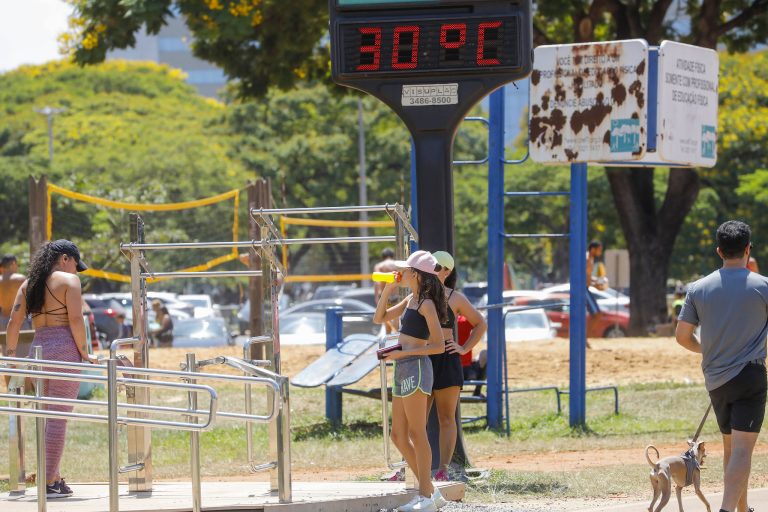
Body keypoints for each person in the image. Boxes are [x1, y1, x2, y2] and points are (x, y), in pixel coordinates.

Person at [676, 220, 768, 512]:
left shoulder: (698, 288)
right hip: (751, 375)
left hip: (716, 380)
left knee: (731, 447)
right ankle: (728, 510)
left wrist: (711, 349)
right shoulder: (763, 286)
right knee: (743, 449)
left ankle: (743, 509)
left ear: (719, 251)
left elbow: (682, 336)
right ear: (748, 249)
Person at [4, 239, 97, 498]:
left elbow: (14, 322)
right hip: (64, 350)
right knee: (58, 418)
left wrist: (11, 358)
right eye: (75, 265)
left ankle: (52, 475)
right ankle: (49, 481)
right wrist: (84, 352)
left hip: (38, 351)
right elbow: (76, 320)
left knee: (46, 417)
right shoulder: (69, 282)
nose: (75, 271)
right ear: (65, 258)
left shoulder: (28, 283)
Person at [374, 250, 448, 512]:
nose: (402, 273)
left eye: (406, 270)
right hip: (403, 367)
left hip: (416, 367)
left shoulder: (427, 304)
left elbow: (438, 346)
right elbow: (379, 318)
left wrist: (405, 352)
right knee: (398, 435)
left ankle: (425, 496)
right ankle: (430, 491)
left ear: (416, 274)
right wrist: (387, 288)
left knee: (418, 433)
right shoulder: (410, 299)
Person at [429, 250, 487, 481]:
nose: (431, 271)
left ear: (446, 271)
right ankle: (411, 467)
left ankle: (443, 468)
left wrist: (463, 348)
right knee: (416, 420)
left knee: (446, 417)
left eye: (436, 267)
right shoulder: (417, 295)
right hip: (422, 357)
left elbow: (480, 324)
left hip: (446, 358)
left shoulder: (455, 297)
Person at [374, 248, 399, 333]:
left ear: (383, 256)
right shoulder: (397, 265)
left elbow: (377, 282)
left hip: (385, 297)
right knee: (396, 323)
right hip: (396, 296)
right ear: (392, 255)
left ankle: (388, 343)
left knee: (386, 322)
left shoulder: (379, 266)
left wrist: (376, 297)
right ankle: (396, 342)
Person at [585, 240, 605, 348]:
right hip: (583, 289)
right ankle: (584, 338)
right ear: (593, 249)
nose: (600, 253)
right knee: (597, 314)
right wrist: (596, 285)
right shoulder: (588, 259)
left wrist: (596, 281)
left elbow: (587, 277)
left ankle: (584, 338)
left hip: (585, 288)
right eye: (599, 250)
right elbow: (584, 279)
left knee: (596, 314)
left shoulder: (590, 258)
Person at [1, 254, 26, 331]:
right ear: (13, 264)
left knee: (5, 342)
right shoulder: (20, 279)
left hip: (2, 319)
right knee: (23, 342)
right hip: (19, 319)